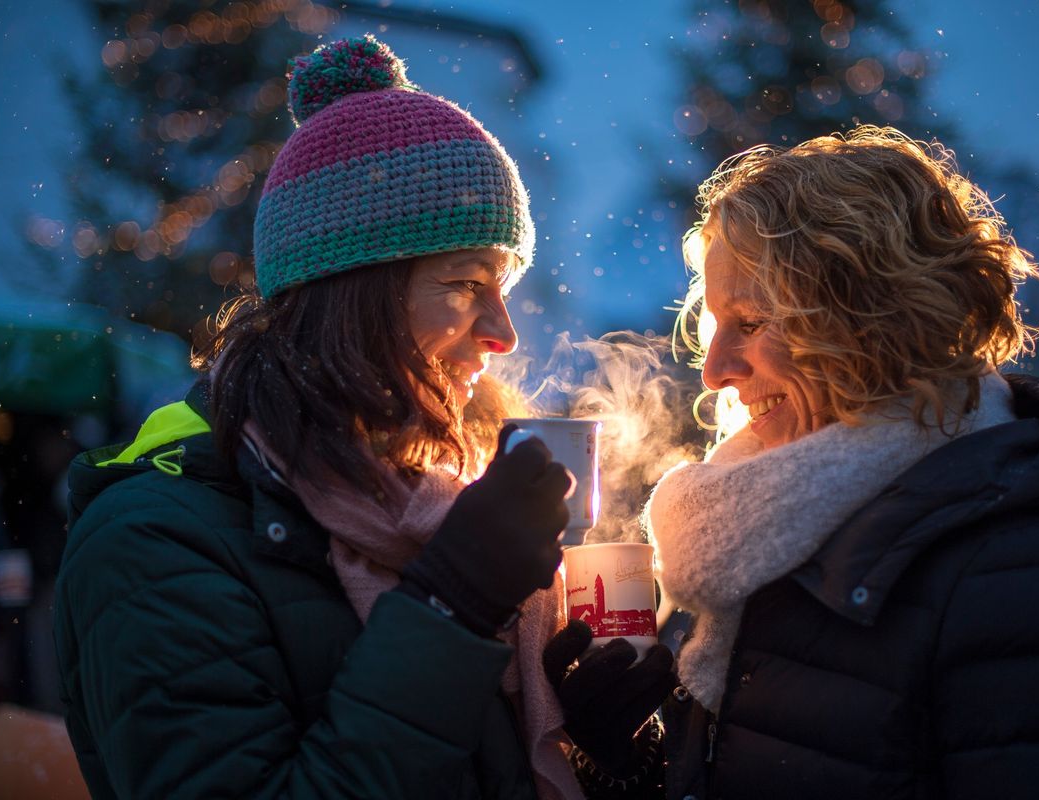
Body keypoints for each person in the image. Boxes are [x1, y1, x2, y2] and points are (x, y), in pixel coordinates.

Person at [53, 34, 670, 800]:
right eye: (465, 281)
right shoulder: (156, 539)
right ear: (353, 296)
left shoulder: (435, 503)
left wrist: (604, 756)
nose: (503, 333)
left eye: (504, 285)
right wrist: (451, 608)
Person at [645, 126, 1039, 798]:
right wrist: (633, 763)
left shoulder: (1032, 577)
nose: (713, 373)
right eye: (716, 327)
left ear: (867, 319)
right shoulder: (763, 530)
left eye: (750, 321)